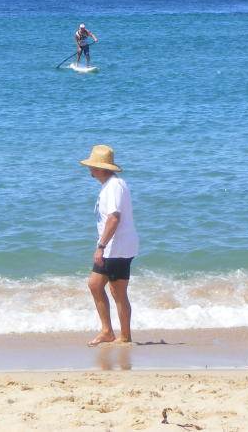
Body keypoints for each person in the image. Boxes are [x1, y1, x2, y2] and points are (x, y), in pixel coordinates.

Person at [79, 144, 139, 347]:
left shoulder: (113, 187)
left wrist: (101, 245)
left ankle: (119, 335)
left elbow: (114, 218)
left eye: (93, 166)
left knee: (112, 290)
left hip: (116, 248)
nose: (90, 169)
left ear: (102, 168)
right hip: (118, 247)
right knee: (100, 286)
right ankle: (114, 333)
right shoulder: (112, 185)